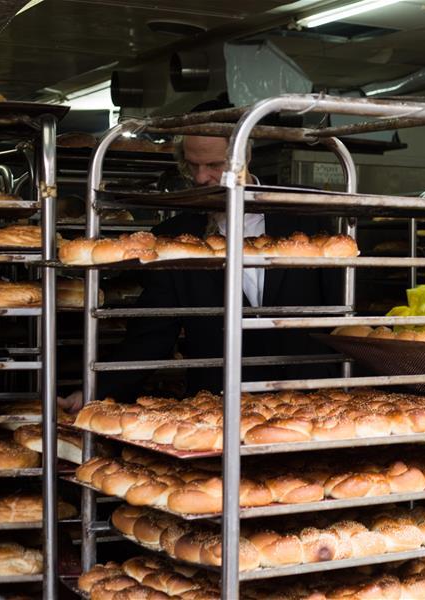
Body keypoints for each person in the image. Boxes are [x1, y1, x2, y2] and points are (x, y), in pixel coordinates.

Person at [59, 102, 341, 411]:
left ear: (244, 155)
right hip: (216, 406)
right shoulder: (175, 237)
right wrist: (94, 391)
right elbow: (151, 337)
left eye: (215, 165)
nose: (202, 177)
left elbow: (339, 315)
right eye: (193, 166)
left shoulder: (306, 215)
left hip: (311, 399)